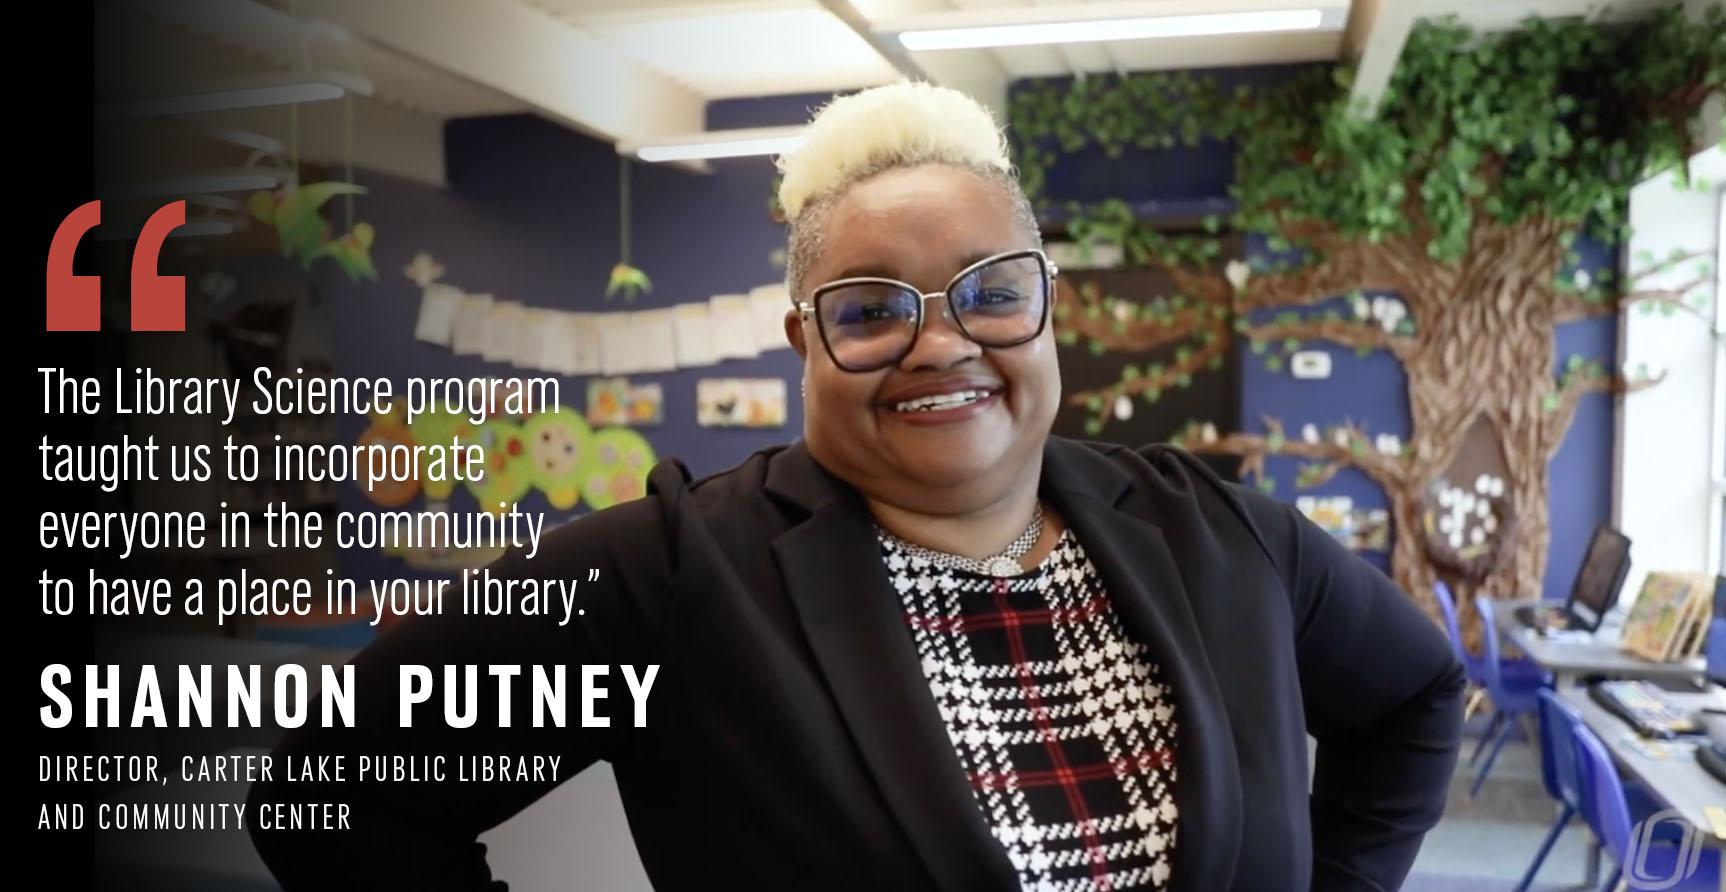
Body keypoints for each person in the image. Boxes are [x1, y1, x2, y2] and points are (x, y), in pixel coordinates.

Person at [246, 81, 1465, 892]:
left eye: (990, 291)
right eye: (871, 309)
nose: (941, 342)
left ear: (1046, 310)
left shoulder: (1214, 530)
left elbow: (1411, 692)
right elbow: (331, 799)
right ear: (803, 342)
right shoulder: (666, 573)